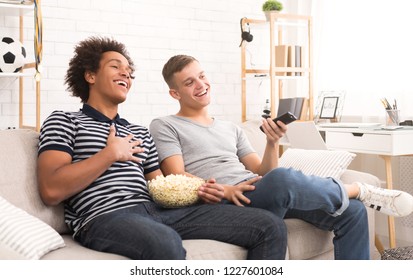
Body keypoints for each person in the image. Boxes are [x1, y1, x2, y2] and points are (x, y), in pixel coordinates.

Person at [36, 37, 288, 260]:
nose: (126, 74)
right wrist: (110, 154)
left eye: (129, 71)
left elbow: (160, 186)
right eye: (116, 67)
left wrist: (203, 191)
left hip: (155, 210)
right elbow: (51, 190)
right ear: (90, 75)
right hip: (104, 216)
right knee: (165, 242)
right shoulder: (64, 121)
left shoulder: (139, 132)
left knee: (269, 225)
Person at [149, 54, 413, 260]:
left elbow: (263, 171)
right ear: (175, 93)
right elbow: (176, 176)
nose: (201, 85)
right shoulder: (165, 125)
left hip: (258, 189)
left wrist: (272, 142)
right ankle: (358, 190)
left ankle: (356, 198)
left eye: (202, 76)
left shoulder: (231, 128)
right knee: (283, 179)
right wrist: (226, 190)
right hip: (225, 200)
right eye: (189, 82)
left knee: (352, 212)